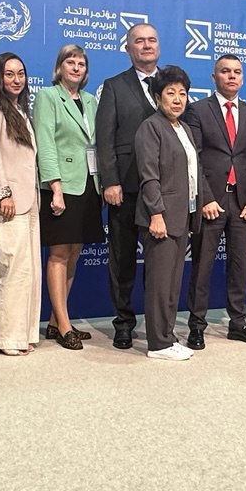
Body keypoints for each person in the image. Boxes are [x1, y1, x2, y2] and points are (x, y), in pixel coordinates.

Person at [183, 54, 246, 349]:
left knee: (239, 265)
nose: (231, 76)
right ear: (214, 77)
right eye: (225, 71)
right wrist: (205, 198)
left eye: (237, 72)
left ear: (242, 78)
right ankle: (197, 325)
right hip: (211, 202)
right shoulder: (197, 110)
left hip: (242, 202)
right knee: (202, 266)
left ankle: (238, 323)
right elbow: (193, 158)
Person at [32, 44, 105, 350]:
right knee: (60, 253)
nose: (76, 68)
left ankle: (55, 320)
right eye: (70, 62)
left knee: (75, 251)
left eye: (81, 64)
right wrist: (55, 186)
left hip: (88, 184)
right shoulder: (48, 97)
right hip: (61, 185)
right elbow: (45, 142)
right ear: (59, 67)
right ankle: (64, 326)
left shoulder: (90, 100)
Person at [96, 22, 160, 350]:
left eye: (151, 40)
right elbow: (105, 138)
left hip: (162, 189)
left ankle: (158, 323)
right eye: (139, 41)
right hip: (125, 187)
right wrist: (110, 181)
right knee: (122, 260)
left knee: (160, 261)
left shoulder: (172, 83)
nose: (146, 45)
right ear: (128, 48)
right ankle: (123, 322)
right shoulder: (114, 86)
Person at [134, 66, 202, 360]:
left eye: (182, 93)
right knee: (160, 285)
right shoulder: (150, 127)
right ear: (157, 97)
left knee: (173, 282)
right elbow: (149, 175)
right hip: (161, 217)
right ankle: (158, 344)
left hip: (182, 215)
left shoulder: (184, 128)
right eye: (170, 93)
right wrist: (156, 214)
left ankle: (167, 335)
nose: (177, 99)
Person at [0, 52, 41, 356]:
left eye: (20, 74)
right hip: (6, 202)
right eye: (9, 74)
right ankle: (3, 339)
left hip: (29, 201)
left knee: (28, 271)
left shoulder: (21, 111)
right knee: (12, 269)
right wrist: (3, 193)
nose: (16, 80)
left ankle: (22, 334)